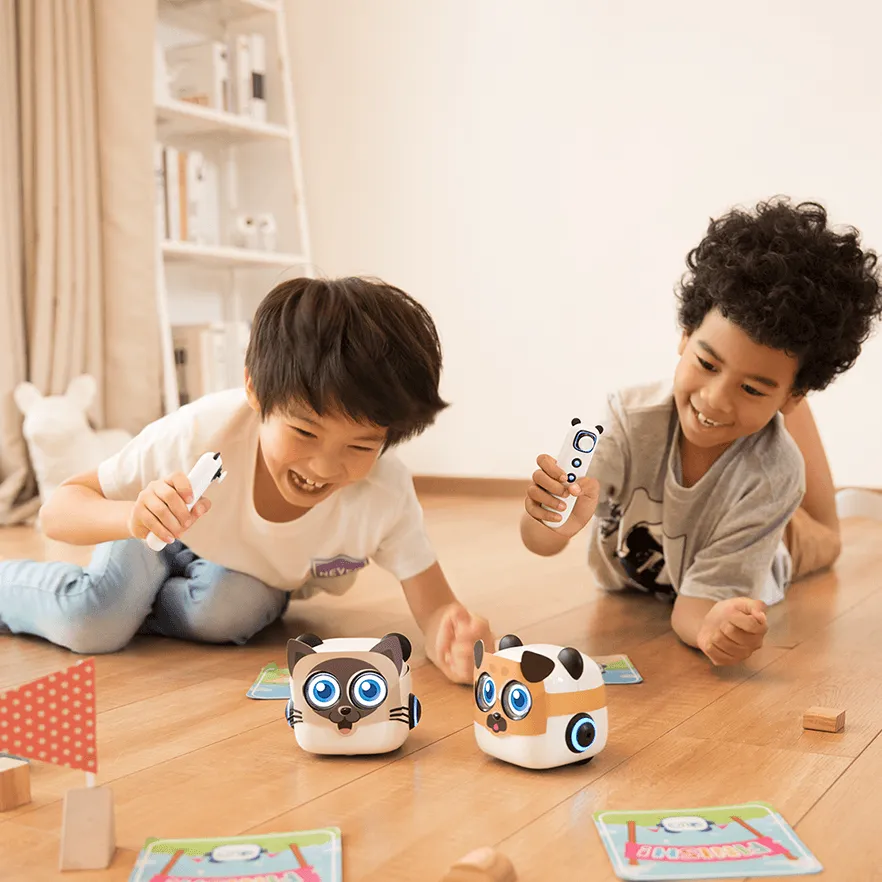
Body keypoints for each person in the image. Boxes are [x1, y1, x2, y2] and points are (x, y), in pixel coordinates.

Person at [0, 276, 492, 684]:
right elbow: (58, 510)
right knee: (94, 620)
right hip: (152, 528)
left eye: (361, 446)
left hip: (243, 573)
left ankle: (137, 605)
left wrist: (451, 636)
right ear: (254, 391)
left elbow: (437, 608)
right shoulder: (197, 433)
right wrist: (133, 516)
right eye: (304, 432)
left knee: (225, 615)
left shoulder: (384, 494)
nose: (325, 467)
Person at [520, 198, 882, 666]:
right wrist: (548, 519)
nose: (713, 399)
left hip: (764, 533)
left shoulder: (774, 476)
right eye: (707, 364)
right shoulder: (627, 419)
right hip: (720, 495)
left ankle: (780, 416)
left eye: (751, 387)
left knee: (825, 539)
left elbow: (694, 610)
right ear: (685, 335)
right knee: (747, 412)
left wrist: (712, 628)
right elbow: (541, 539)